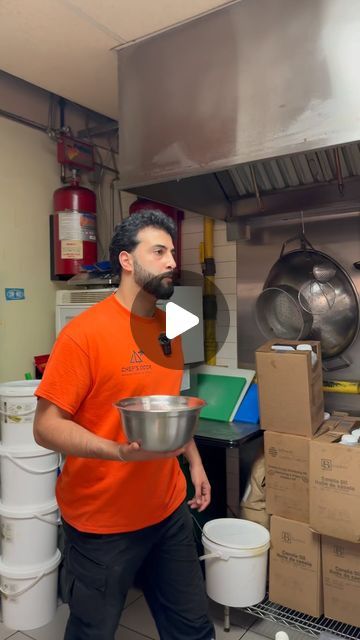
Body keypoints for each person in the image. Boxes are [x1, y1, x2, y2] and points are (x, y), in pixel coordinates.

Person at [34, 210, 215, 640]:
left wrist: (193, 461)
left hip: (167, 509)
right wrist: (116, 450)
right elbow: (45, 427)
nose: (173, 261)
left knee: (192, 629)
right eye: (159, 251)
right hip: (102, 524)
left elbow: (170, 405)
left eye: (173, 251)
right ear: (127, 261)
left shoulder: (170, 328)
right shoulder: (84, 334)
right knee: (92, 632)